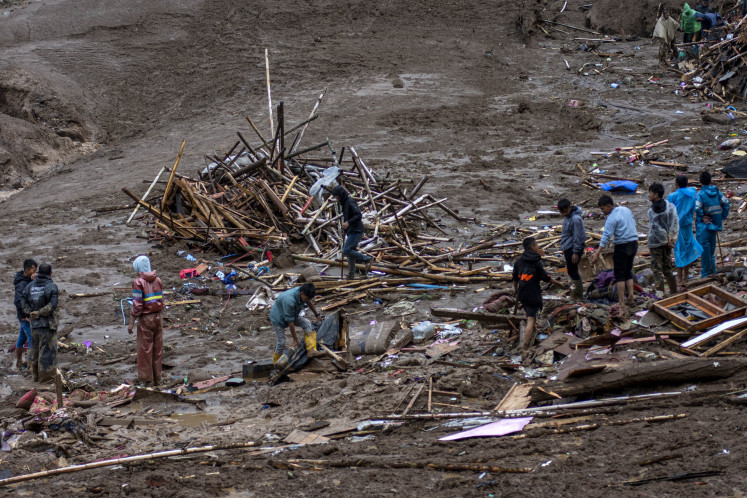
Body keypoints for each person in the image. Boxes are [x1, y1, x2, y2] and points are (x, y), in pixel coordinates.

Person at [512, 237, 563, 350]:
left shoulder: (518, 261)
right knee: (531, 319)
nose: (538, 247)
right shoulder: (536, 262)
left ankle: (534, 334)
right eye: (536, 245)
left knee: (532, 315)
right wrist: (558, 283)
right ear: (532, 247)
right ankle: (525, 346)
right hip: (533, 294)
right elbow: (545, 277)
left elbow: (515, 279)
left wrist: (515, 291)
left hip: (522, 294)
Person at [590, 195, 639, 311]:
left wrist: (597, 252)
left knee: (620, 275)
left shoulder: (611, 218)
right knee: (628, 272)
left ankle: (621, 302)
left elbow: (606, 236)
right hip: (633, 244)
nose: (603, 212)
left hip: (622, 246)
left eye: (603, 209)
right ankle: (631, 297)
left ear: (608, 206)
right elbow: (634, 223)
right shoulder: (626, 210)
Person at [127, 255, 164, 386]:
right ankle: (158, 378)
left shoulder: (138, 282)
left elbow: (137, 306)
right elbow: (160, 300)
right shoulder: (158, 280)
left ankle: (147, 380)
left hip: (146, 318)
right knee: (157, 349)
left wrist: (131, 322)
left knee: (145, 350)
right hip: (158, 317)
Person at [20, 263, 59, 383]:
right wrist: (40, 312)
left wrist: (30, 312)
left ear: (38, 273)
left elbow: (22, 301)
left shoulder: (30, 286)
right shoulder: (51, 286)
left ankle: (35, 377)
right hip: (47, 324)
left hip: (35, 325)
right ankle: (46, 380)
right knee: (47, 352)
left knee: (35, 351)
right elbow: (53, 305)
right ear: (50, 273)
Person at [269, 283, 322, 363]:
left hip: (292, 314)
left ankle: (311, 350)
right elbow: (290, 323)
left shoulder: (304, 292)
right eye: (307, 298)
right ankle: (276, 365)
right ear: (302, 294)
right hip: (278, 318)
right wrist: (295, 339)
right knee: (281, 342)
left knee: (307, 323)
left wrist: (317, 315)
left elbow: (309, 302)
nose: (307, 300)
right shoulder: (289, 301)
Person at [667, 175, 703, 289]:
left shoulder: (672, 196)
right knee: (688, 250)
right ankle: (686, 277)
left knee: (678, 251)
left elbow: (668, 212)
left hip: (676, 227)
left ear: (676, 184)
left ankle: (679, 278)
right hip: (687, 226)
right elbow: (693, 211)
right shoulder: (692, 196)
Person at [332, 185, 372, 280]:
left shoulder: (350, 202)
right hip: (351, 231)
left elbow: (358, 215)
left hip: (357, 230)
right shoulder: (344, 203)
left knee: (346, 250)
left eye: (336, 196)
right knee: (350, 256)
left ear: (340, 195)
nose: (336, 198)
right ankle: (351, 276)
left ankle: (367, 259)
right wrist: (345, 227)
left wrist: (348, 223)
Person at [695, 171, 730, 277]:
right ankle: (713, 271)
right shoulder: (716, 191)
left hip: (704, 227)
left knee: (705, 251)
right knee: (711, 251)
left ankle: (706, 274)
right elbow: (726, 203)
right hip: (714, 225)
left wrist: (702, 217)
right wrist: (721, 217)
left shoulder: (700, 194)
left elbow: (697, 207)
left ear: (700, 182)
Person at [647, 183, 679, 295]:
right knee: (668, 269)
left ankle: (660, 296)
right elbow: (674, 223)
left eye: (650, 193)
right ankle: (674, 292)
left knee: (657, 271)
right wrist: (671, 238)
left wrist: (665, 240)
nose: (649, 195)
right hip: (668, 243)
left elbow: (656, 228)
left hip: (656, 243)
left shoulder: (652, 211)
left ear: (656, 194)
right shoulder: (670, 206)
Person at [558, 198, 586, 300]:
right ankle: (577, 293)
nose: (564, 213)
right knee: (571, 271)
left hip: (573, 249)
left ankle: (578, 294)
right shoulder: (568, 218)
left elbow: (578, 236)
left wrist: (576, 252)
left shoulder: (575, 219)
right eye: (562, 212)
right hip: (568, 248)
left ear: (570, 207)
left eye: (566, 211)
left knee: (573, 271)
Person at [13, 258, 37, 371]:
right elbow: (18, 301)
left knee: (22, 337)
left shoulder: (27, 279)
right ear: (27, 270)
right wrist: (24, 316)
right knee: (31, 336)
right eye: (33, 270)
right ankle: (29, 365)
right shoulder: (22, 283)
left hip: (25, 314)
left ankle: (19, 362)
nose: (35, 272)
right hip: (24, 315)